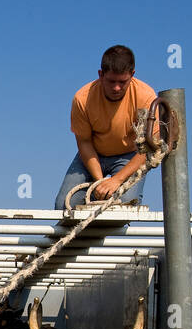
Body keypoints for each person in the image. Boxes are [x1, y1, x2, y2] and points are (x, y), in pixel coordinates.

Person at [55, 45, 156, 210]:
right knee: (64, 206)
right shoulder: (83, 98)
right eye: (111, 81)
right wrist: (101, 182)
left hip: (130, 156)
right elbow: (84, 142)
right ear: (100, 75)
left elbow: (148, 148)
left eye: (122, 82)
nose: (116, 88)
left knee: (124, 205)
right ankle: (80, 234)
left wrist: (116, 180)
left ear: (132, 75)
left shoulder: (146, 97)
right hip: (94, 154)